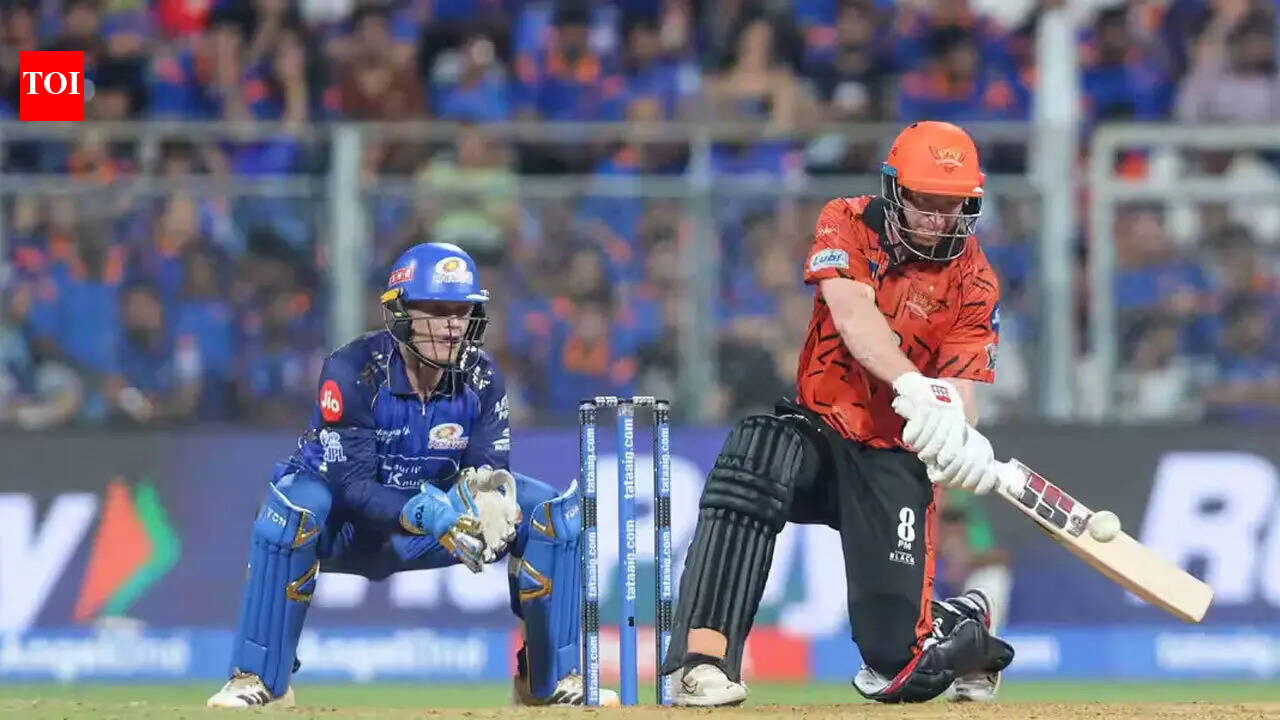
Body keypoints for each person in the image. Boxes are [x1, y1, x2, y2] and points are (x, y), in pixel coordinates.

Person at [659, 121, 1014, 705]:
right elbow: (852, 316)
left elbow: (961, 392)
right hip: (821, 433)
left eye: (951, 206)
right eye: (925, 202)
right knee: (756, 449)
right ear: (895, 190)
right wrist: (912, 383)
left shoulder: (975, 280)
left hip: (894, 458)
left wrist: (959, 436)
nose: (936, 219)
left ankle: (964, 628)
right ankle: (703, 660)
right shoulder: (847, 219)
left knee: (896, 668)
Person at [207, 243, 618, 708]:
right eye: (437, 311)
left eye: (461, 311)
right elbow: (351, 487)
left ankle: (547, 681)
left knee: (549, 514)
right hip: (348, 527)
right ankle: (259, 679)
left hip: (438, 528)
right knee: (291, 512)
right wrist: (422, 513)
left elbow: (488, 473)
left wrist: (488, 503)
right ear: (401, 312)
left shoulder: (483, 379)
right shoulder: (352, 371)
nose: (453, 325)